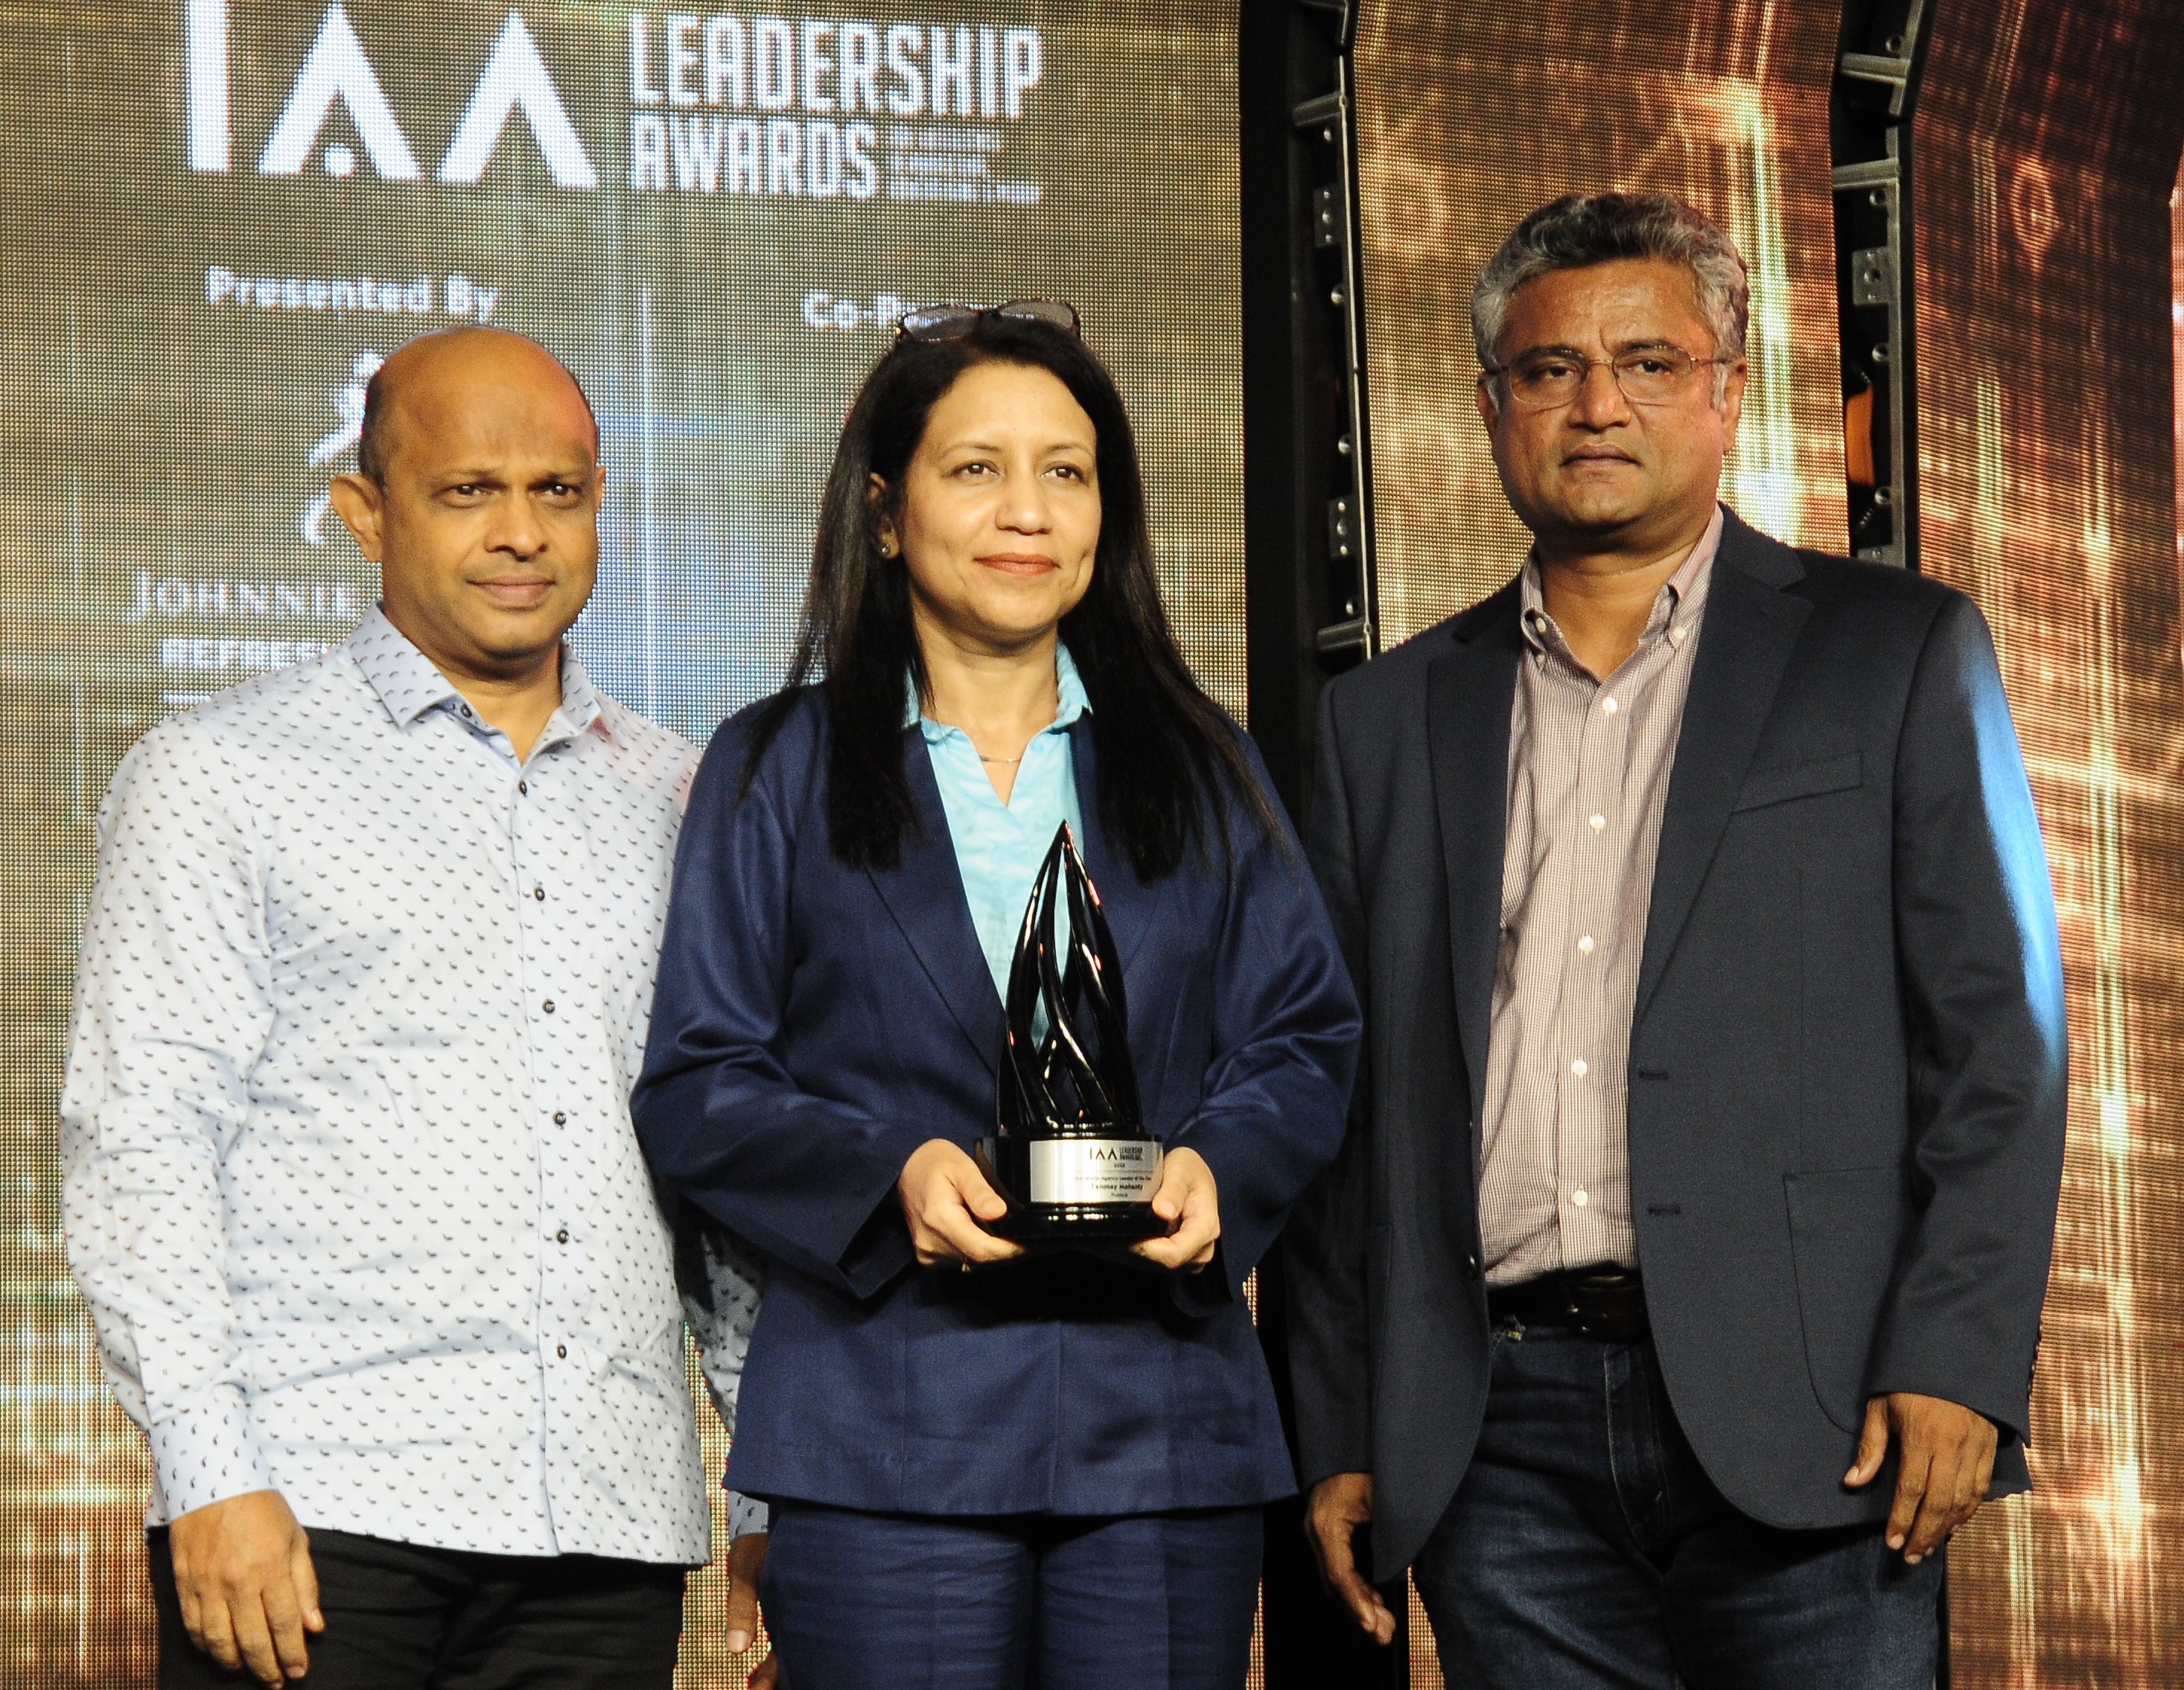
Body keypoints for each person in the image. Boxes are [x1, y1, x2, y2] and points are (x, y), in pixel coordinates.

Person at [1284, 194, 2067, 1689]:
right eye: (1549, 368)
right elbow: (1346, 1113)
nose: (1596, 404)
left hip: (1824, 1422)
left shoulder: (1893, 651)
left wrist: (1960, 1360)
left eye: (1648, 362)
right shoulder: (1382, 722)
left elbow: (2001, 1046)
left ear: (1728, 386)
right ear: (1490, 406)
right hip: (1493, 1438)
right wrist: (1339, 1420)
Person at [632, 302, 1360, 1689]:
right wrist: (884, 1174)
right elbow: (700, 1080)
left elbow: (1304, 1032)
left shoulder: (1208, 765)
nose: (1026, 509)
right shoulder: (773, 763)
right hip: (883, 1429)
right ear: (887, 510)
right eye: (975, 468)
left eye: (1067, 471)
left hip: (1162, 1432)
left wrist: (1224, 1163)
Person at [61, 327, 768, 1690]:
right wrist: (209, 1473)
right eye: (468, 491)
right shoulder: (221, 773)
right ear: (363, 512)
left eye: (556, 491)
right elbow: (142, 1145)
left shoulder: (686, 799)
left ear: (601, 502)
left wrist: (765, 1490)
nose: (519, 533)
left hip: (604, 1524)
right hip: (316, 1512)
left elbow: (720, 1172)